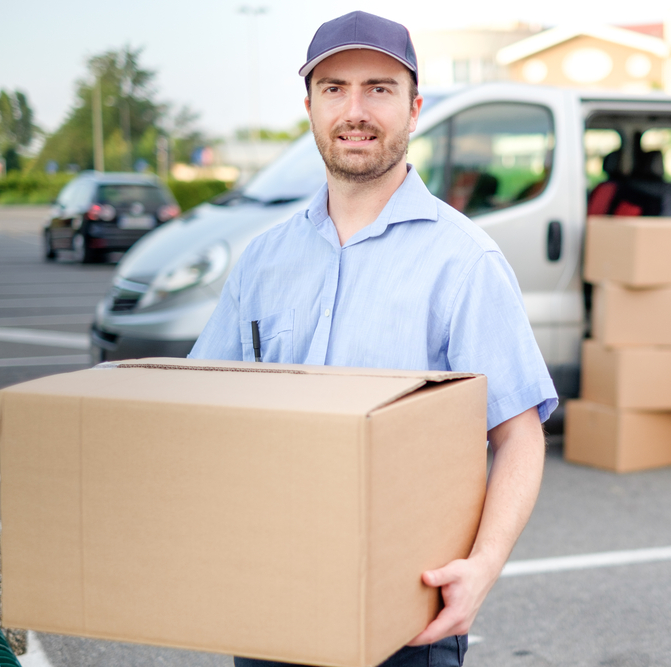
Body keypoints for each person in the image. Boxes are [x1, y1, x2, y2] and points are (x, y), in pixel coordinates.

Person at [187, 11, 558, 667]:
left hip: (407, 619)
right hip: (271, 602)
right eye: (334, 88)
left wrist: (484, 564)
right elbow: (203, 411)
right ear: (309, 106)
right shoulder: (262, 259)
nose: (354, 110)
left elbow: (519, 432)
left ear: (414, 109)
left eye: (379, 88)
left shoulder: (463, 260)